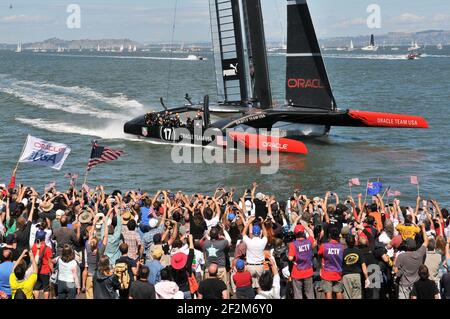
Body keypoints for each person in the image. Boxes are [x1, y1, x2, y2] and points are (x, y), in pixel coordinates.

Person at [394, 224, 429, 299]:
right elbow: (426, 241)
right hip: (416, 285)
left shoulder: (401, 256)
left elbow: (396, 271)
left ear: (406, 246)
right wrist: (423, 228)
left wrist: (400, 271)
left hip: (404, 285)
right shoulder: (419, 253)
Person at [288, 223, 316, 299]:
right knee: (310, 293)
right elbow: (311, 233)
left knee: (298, 295)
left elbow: (290, 258)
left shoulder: (292, 244)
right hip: (308, 270)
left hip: (297, 271)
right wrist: (305, 226)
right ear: (303, 233)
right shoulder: (309, 241)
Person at [318, 227, 344, 299]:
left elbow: (319, 254)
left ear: (329, 235)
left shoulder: (324, 246)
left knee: (328, 292)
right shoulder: (342, 247)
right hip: (338, 272)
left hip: (327, 272)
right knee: (339, 291)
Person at [242, 216, 268, 288]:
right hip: (260, 266)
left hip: (250, 266)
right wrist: (262, 224)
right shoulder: (262, 241)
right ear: (260, 233)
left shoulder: (249, 241)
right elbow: (266, 235)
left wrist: (249, 222)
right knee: (260, 286)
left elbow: (243, 234)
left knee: (250, 286)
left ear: (252, 233)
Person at [342, 234, 369, 299]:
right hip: (356, 275)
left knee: (347, 296)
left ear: (346, 242)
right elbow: (363, 265)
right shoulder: (359, 251)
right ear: (354, 242)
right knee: (357, 296)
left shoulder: (343, 252)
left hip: (346, 276)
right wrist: (367, 278)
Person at [31, 230, 53, 299]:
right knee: (46, 288)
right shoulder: (48, 248)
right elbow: (50, 262)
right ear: (44, 238)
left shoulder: (33, 247)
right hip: (45, 271)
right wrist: (52, 271)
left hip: (36, 270)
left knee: (36, 287)